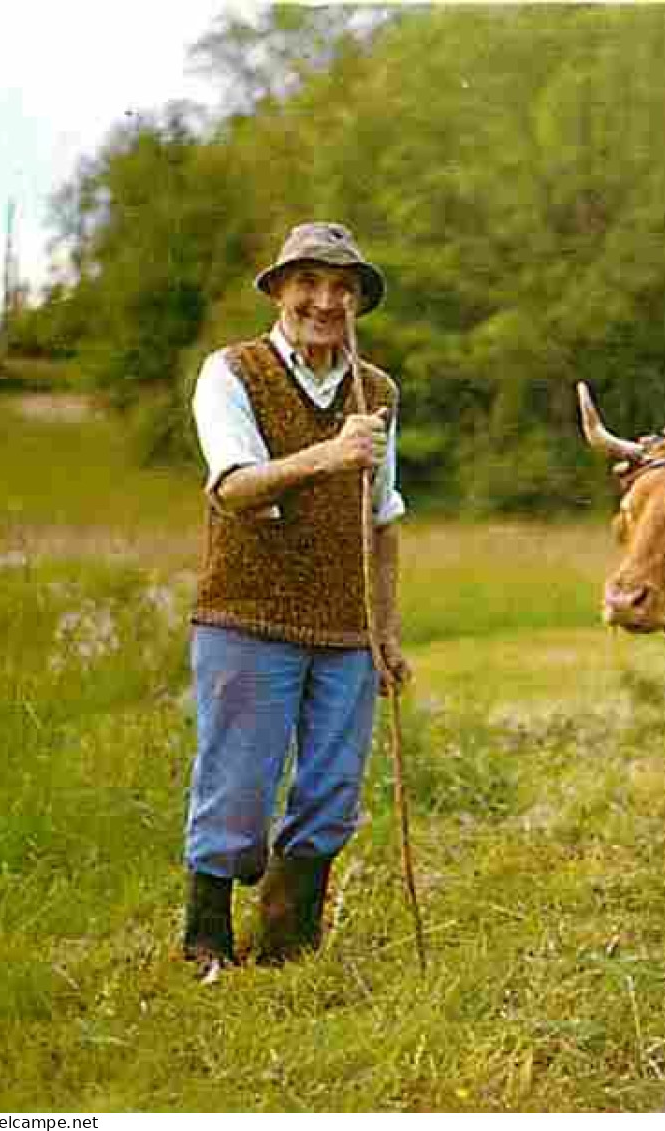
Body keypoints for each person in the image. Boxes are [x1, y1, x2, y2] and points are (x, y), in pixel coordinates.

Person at [181, 221, 411, 973]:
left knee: (331, 794)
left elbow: (383, 516)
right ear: (279, 289)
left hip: (347, 625)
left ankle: (288, 943)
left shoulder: (376, 390)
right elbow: (237, 486)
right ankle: (206, 940)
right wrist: (328, 454)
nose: (325, 300)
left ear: (358, 304)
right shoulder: (231, 372)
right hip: (247, 614)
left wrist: (387, 631)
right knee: (238, 790)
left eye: (343, 288)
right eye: (308, 282)